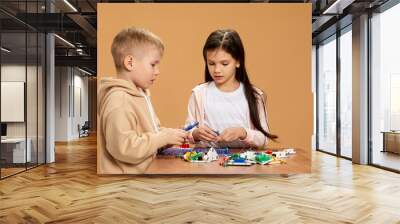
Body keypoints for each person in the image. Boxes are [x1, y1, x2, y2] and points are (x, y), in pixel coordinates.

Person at [98, 27, 187, 174]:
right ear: (130, 63)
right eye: (153, 64)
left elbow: (149, 132)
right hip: (124, 186)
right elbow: (124, 148)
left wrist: (168, 135)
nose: (157, 71)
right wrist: (161, 138)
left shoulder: (140, 94)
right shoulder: (119, 100)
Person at [185, 29, 278, 149]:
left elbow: (264, 140)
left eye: (224, 64)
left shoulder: (255, 95)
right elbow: (187, 132)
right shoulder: (199, 94)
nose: (217, 70)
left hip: (244, 164)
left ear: (238, 61)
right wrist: (196, 133)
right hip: (206, 164)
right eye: (211, 64)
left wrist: (242, 132)